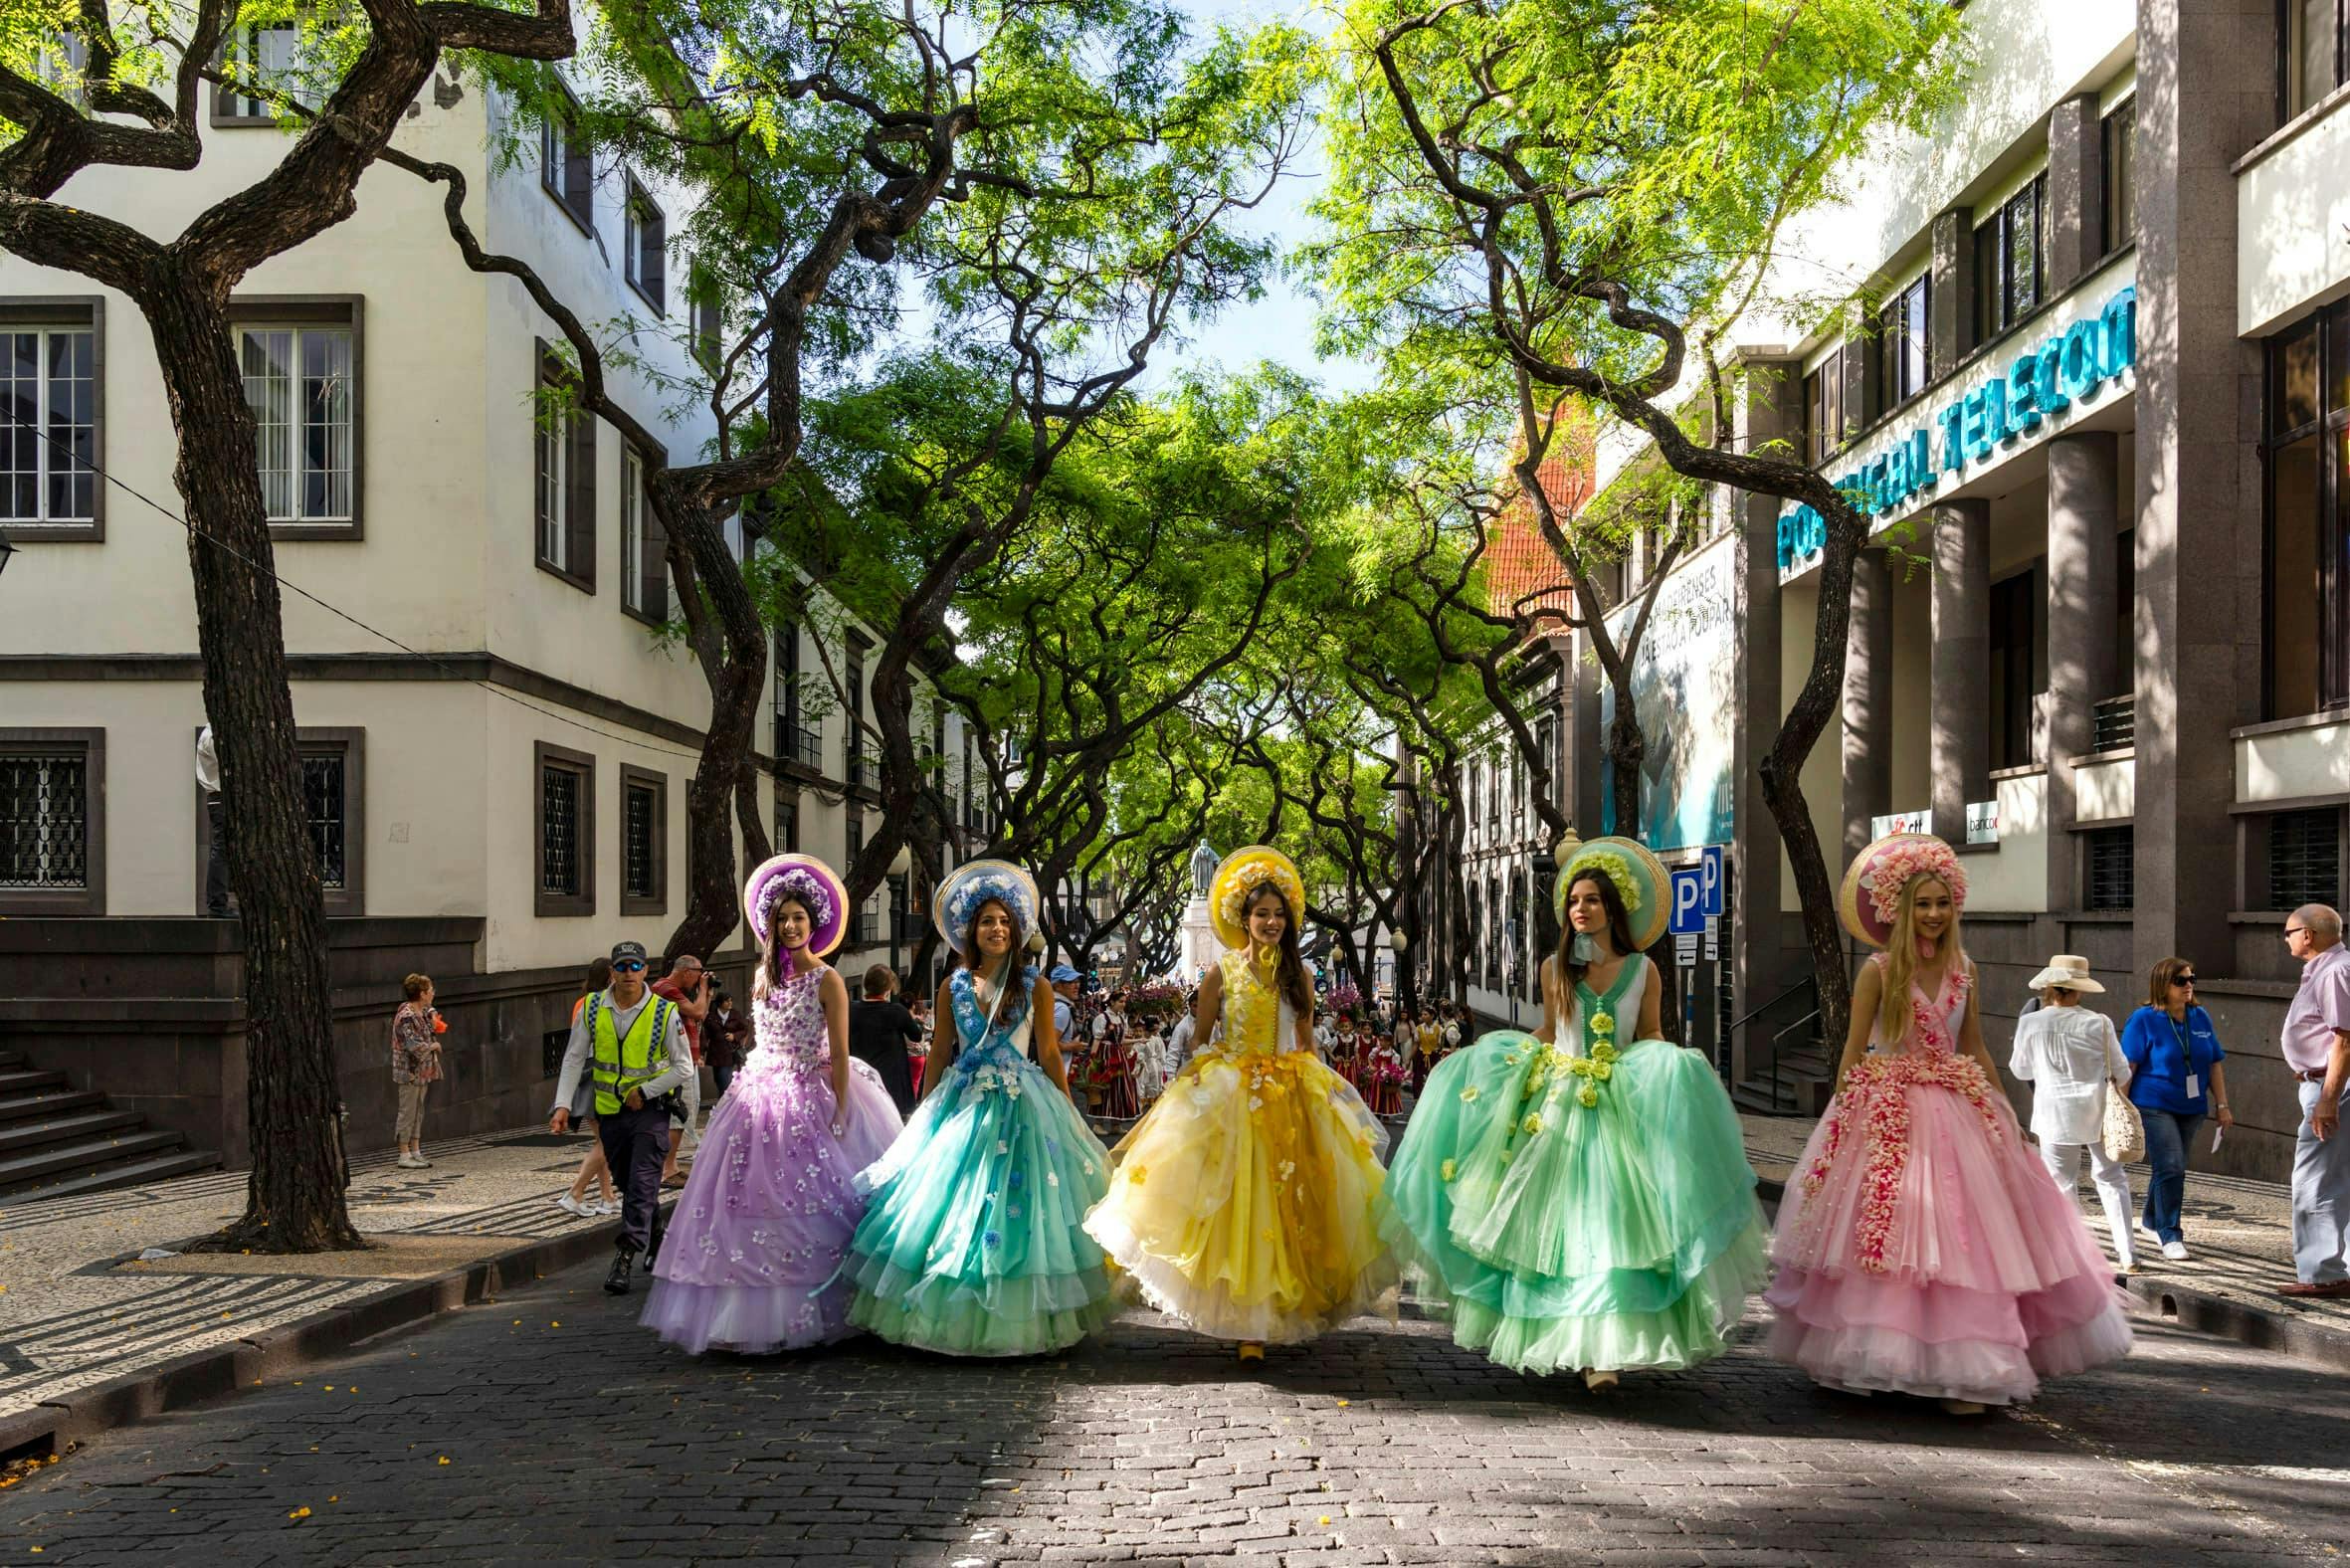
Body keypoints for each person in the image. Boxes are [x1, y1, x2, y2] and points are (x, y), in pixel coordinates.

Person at [1385, 838, 1768, 1391]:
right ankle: (1572, 1339)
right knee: (1553, 1228)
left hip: (1618, 1101)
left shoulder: (1643, 970)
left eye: (1591, 900)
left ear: (1614, 908)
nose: (1580, 910)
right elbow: (1549, 1031)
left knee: (1617, 1223)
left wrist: (1662, 1064)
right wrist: (1498, 1057)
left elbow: (1652, 1033)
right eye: (1574, 901)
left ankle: (1604, 1351)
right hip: (1559, 1104)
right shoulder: (1555, 968)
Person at [1768, 833, 2131, 1412]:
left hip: (1959, 1105)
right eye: (1922, 903)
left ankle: (1969, 1367)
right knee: (1892, 1233)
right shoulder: (1878, 971)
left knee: (1968, 1236)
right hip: (1889, 1112)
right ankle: (1875, 1352)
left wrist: (2003, 1109)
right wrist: (1846, 1123)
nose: (1934, 915)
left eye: (1942, 903)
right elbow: (1851, 1052)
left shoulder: (1966, 969)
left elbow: (1976, 1047)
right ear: (1899, 907)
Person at [1085, 847, 1396, 1361]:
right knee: (1239, 1204)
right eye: (1261, 914)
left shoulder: (1301, 976)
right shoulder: (1221, 974)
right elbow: (1200, 1040)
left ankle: (1280, 1308)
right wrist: (1199, 1089)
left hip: (1293, 1092)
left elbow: (1306, 1041)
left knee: (1294, 1202)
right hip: (1235, 1095)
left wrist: (1329, 1090)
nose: (1271, 922)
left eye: (1278, 914)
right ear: (1243, 920)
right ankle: (1249, 1323)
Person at [843, 861, 1118, 1354]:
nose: (997, 929)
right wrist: (923, 1115)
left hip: (1024, 1105)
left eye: (1005, 921)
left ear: (1016, 930)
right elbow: (940, 1051)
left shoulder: (1034, 984)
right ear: (971, 931)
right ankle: (952, 1313)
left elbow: (1050, 1052)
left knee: (1025, 1210)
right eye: (988, 921)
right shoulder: (952, 987)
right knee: (956, 1204)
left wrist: (1066, 1105)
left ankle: (1020, 1314)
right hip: (965, 1104)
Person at [641, 855, 904, 1352]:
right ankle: (744, 1315)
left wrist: (842, 1109)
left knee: (815, 1201)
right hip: (758, 1096)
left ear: (814, 923)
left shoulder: (827, 980)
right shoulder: (763, 978)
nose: (789, 927)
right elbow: (761, 1039)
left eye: (798, 918)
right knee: (745, 1200)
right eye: (781, 919)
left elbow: (842, 1053)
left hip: (811, 1091)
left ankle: (822, 1306)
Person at [550, 940, 694, 1295]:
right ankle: (658, 1236)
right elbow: (573, 1057)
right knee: (630, 1185)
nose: (629, 973)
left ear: (646, 970)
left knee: (644, 1180)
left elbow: (684, 1067)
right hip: (609, 1111)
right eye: (622, 966)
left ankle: (625, 1256)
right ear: (611, 972)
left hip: (651, 1111)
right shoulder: (592, 1008)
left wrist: (645, 1091)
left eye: (635, 966)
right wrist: (562, 1105)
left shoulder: (664, 1011)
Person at [2009, 955, 2137, 1274]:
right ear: (2078, 989)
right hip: (2097, 1111)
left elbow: (2019, 1068)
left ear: (2050, 987)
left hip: (2053, 1113)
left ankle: (2076, 1255)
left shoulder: (2031, 1023)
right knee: (2111, 1179)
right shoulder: (2099, 1022)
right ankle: (2128, 1255)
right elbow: (2121, 1072)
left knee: (2062, 1183)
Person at [2120, 957, 2233, 1262]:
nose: (2188, 985)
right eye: (2180, 981)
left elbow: (2214, 1062)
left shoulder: (2200, 1016)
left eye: (2191, 979)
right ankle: (2170, 1234)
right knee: (2171, 1165)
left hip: (2192, 1106)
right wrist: (2121, 1109)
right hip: (2153, 1103)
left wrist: (2222, 1104)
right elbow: (2128, 1066)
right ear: (2163, 984)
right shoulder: (2143, 1019)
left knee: (2171, 1165)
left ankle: (2150, 1220)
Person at [2279, 904, 2350, 1299]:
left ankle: (2322, 1273)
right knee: (2337, 1178)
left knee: (2315, 1181)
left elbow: (2345, 1038)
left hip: (2332, 1087)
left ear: (2307, 934)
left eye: (2288, 932)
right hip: (2324, 1083)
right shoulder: (2326, 968)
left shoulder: (2336, 970)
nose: (2286, 939)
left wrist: (2328, 1098)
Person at [556, 957, 620, 1218]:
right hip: (596, 1074)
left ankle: (607, 1197)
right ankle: (575, 1192)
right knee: (609, 1139)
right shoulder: (594, 1004)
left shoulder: (584, 1001)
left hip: (591, 1074)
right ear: (608, 976)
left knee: (603, 1140)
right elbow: (579, 1048)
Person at [651, 956, 711, 1186]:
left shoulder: (674, 991)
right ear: (686, 972)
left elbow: (700, 1014)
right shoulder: (665, 989)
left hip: (685, 1059)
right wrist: (704, 990)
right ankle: (667, 1169)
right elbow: (697, 1012)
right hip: (675, 1061)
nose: (699, 978)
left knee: (686, 1109)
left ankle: (671, 1165)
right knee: (678, 1111)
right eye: (698, 973)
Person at [849, 964, 923, 1117]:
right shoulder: (896, 1011)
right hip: (891, 1083)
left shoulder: (851, 1010)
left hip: (860, 1080)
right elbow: (916, 1035)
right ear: (888, 988)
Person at [390, 973, 443, 1169]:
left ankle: (415, 1149)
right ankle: (404, 1153)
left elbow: (430, 1009)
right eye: (430, 991)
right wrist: (433, 1046)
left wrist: (434, 1014)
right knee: (407, 1110)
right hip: (409, 1071)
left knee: (418, 1109)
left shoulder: (421, 1010)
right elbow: (412, 1045)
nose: (433, 993)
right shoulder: (406, 1016)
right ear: (422, 994)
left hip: (423, 1071)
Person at [196, 723, 229, 916]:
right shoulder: (211, 737)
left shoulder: (208, 735)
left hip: (218, 797)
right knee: (221, 849)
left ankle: (218, 902)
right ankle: (217, 904)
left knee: (222, 849)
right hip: (221, 796)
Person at [703, 985, 750, 1100]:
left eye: (731, 1001)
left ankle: (724, 1106)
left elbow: (745, 1029)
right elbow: (705, 1035)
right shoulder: (711, 1016)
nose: (730, 1003)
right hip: (715, 1054)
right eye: (727, 1001)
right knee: (719, 1081)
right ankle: (723, 1106)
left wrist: (735, 1036)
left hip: (730, 1053)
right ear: (720, 1003)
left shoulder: (735, 1014)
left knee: (725, 1082)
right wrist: (701, 1052)